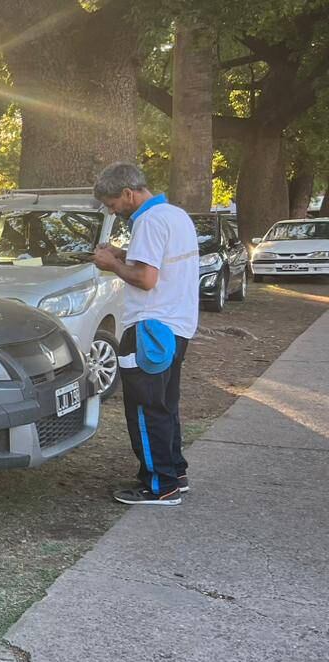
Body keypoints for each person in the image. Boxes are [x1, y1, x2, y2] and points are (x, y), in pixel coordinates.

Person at [91, 162, 198, 506]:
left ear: (128, 193)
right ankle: (174, 473)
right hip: (177, 325)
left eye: (112, 203)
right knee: (165, 404)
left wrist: (112, 265)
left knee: (145, 408)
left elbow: (146, 279)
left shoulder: (148, 222)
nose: (112, 210)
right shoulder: (175, 215)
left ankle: (158, 484)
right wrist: (125, 255)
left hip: (150, 328)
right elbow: (161, 265)